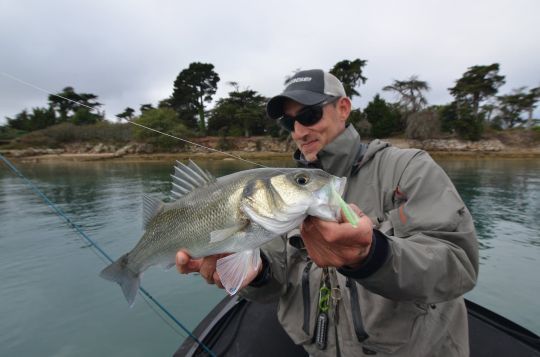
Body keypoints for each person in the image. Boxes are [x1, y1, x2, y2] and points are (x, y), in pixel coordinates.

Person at [176, 69, 479, 356]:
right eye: (288, 123)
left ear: (344, 108)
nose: (298, 131)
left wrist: (372, 254)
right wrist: (257, 275)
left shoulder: (408, 168)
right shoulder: (280, 194)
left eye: (309, 115)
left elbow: (458, 263)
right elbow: (275, 281)